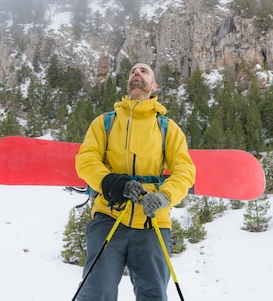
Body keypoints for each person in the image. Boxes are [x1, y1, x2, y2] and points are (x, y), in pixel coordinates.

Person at [75, 62, 196, 300]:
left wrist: (164, 196)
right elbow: (86, 160)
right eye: (132, 71)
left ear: (153, 85)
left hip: (153, 222)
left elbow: (185, 171)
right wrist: (112, 183)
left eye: (143, 71)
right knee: (96, 292)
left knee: (153, 295)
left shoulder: (167, 129)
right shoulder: (105, 123)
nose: (136, 73)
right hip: (109, 216)